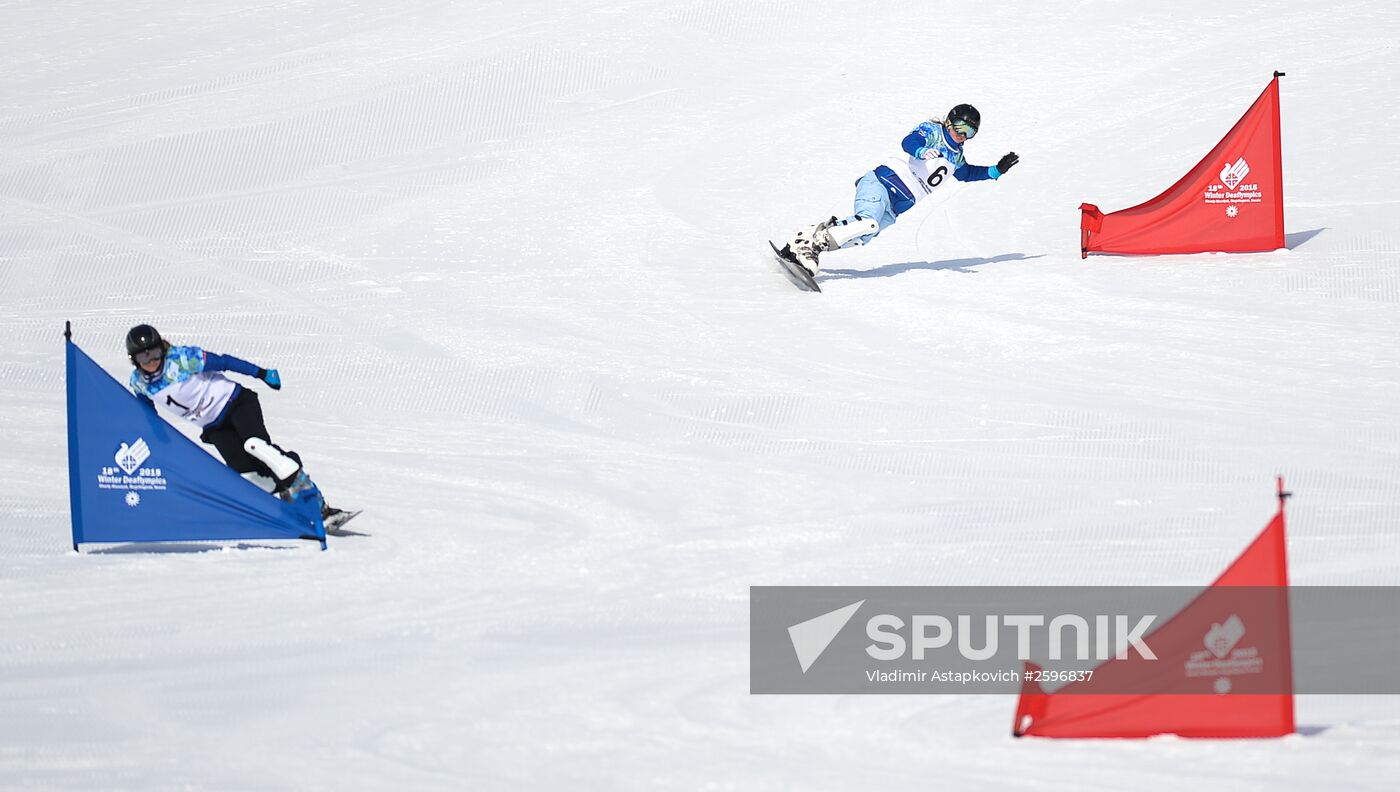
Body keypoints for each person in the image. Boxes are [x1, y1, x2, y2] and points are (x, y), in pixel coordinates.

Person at [124, 323, 342, 522]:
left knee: (256, 447)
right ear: (135, 360)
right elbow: (146, 410)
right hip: (214, 426)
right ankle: (289, 491)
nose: (152, 361)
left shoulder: (182, 359)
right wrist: (156, 435)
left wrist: (262, 373)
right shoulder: (139, 383)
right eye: (144, 358)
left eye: (154, 352)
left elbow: (224, 361)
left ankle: (316, 504)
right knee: (250, 478)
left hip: (237, 403)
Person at [777, 104, 1019, 275]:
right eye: (959, 128)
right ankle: (811, 245)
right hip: (882, 183)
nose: (962, 136)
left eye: (970, 132)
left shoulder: (956, 156)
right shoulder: (933, 132)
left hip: (896, 207)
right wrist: (921, 151)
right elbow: (909, 141)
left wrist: (996, 170)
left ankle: (805, 240)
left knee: (862, 236)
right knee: (867, 223)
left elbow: (966, 174)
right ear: (948, 122)